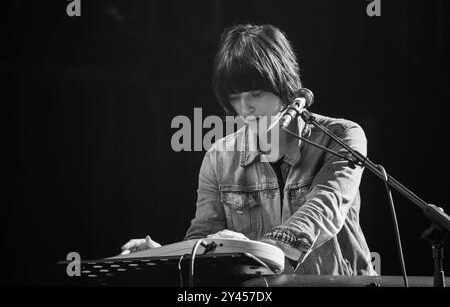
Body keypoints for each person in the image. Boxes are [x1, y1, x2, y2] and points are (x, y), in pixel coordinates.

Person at [121, 24, 376, 275]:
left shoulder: (342, 136)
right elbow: (204, 241)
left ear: (285, 85)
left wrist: (253, 250)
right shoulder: (218, 157)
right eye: (234, 97)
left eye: (255, 93)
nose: (244, 108)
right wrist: (164, 257)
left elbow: (322, 211)